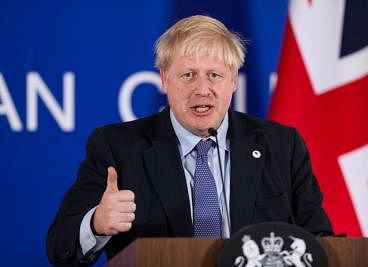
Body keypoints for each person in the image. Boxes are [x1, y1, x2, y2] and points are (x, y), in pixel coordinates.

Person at [46, 15, 332, 266]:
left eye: (214, 75)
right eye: (188, 75)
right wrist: (96, 224)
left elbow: (318, 239)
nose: (202, 89)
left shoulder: (281, 145)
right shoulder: (118, 147)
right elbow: (60, 248)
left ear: (233, 80)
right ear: (164, 79)